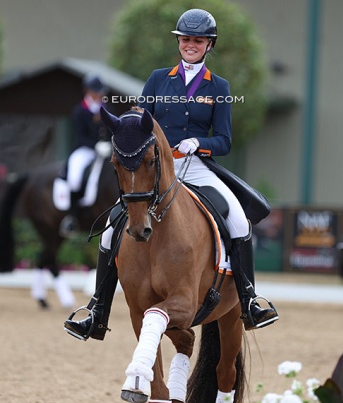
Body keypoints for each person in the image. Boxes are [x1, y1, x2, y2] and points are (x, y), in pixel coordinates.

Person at [64, 8, 278, 341]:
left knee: (238, 220)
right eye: (186, 40)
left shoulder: (219, 87)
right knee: (109, 232)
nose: (191, 45)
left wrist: (199, 142)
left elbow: (224, 140)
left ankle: (250, 300)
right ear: (179, 43)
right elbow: (140, 120)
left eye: (198, 40)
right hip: (157, 168)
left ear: (209, 45)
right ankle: (96, 310)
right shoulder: (158, 79)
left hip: (197, 167)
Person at [59, 73, 108, 238]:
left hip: (106, 149)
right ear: (88, 91)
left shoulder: (105, 108)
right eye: (96, 91)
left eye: (100, 91)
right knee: (75, 176)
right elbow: (79, 136)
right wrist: (95, 146)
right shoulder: (80, 111)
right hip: (84, 150)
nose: (99, 95)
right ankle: (72, 217)